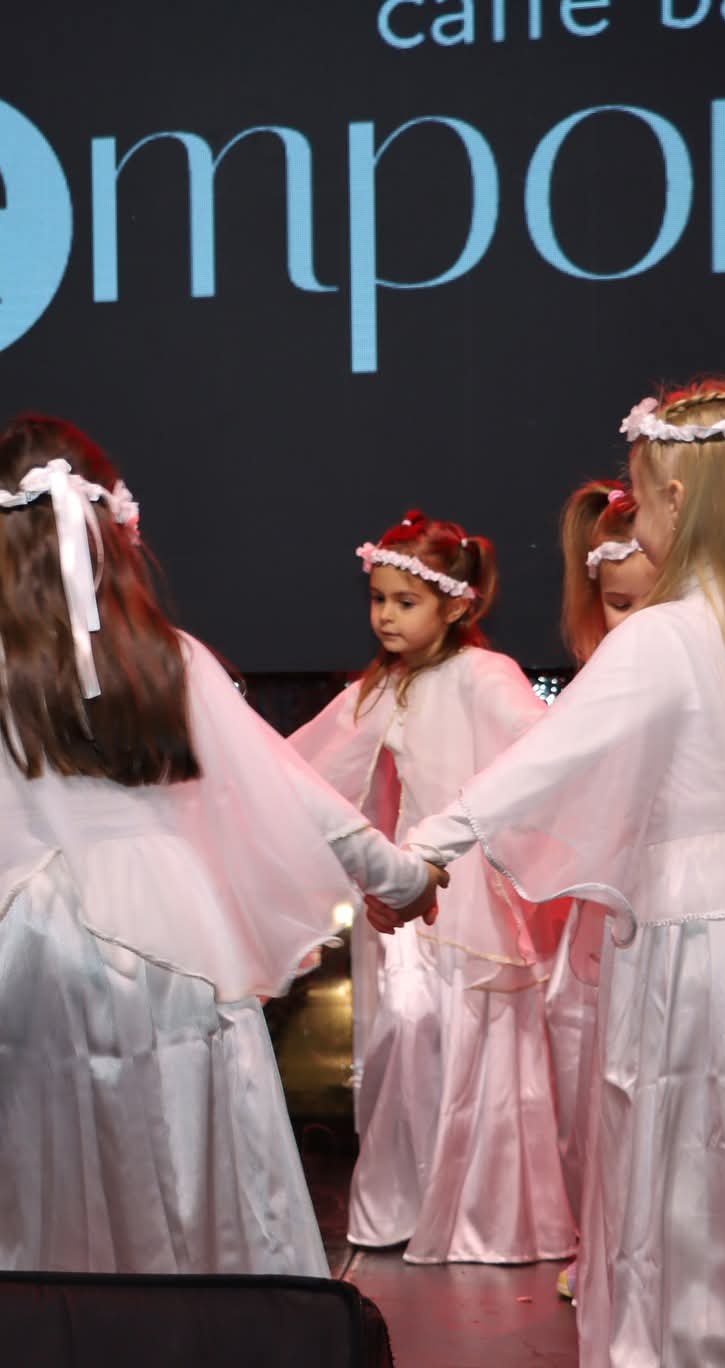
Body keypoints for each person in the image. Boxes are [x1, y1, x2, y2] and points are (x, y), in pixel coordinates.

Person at [0, 415, 442, 1274]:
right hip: (175, 938)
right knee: (180, 1184)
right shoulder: (170, 658)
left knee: (13, 1206)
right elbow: (297, 794)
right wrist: (402, 877)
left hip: (29, 952)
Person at [402, 381, 725, 1367]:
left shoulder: (664, 632)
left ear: (677, 500)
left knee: (690, 1173)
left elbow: (545, 762)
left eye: (640, 495)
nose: (632, 511)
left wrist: (422, 849)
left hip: (698, 936)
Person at [289, 510, 574, 1266]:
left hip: (475, 883)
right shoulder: (383, 687)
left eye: (405, 601)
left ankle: (486, 1216)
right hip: (414, 888)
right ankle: (403, 1202)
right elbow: (307, 764)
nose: (385, 615)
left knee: (476, 1040)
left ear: (454, 605)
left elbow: (544, 752)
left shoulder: (485, 675)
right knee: (408, 1040)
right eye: (377, 599)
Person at [544, 477, 659, 1300]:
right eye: (618, 606)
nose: (636, 626)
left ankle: (647, 1250)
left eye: (650, 605)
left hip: (665, 905)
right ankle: (602, 1242)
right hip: (601, 912)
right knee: (585, 1067)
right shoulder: (596, 690)